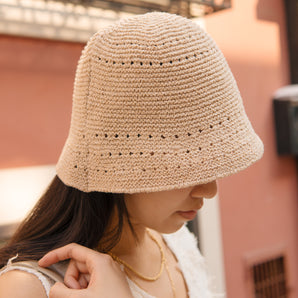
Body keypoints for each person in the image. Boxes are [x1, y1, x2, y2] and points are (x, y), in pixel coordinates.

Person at [0, 11, 264, 298]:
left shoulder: (175, 242)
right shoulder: (29, 289)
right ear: (123, 162)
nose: (210, 190)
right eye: (189, 167)